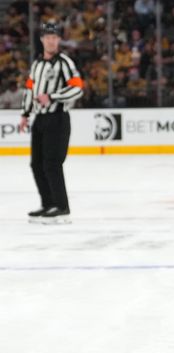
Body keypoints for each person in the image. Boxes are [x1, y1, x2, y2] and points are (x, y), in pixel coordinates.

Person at [20, 21, 83, 224]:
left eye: (54, 38)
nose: (51, 41)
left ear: (58, 40)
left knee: (52, 164)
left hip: (58, 118)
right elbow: (30, 89)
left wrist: (53, 96)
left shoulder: (64, 62)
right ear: (42, 40)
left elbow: (77, 88)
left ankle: (61, 206)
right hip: (40, 119)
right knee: (36, 163)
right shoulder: (37, 64)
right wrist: (25, 113)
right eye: (48, 37)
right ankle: (48, 204)